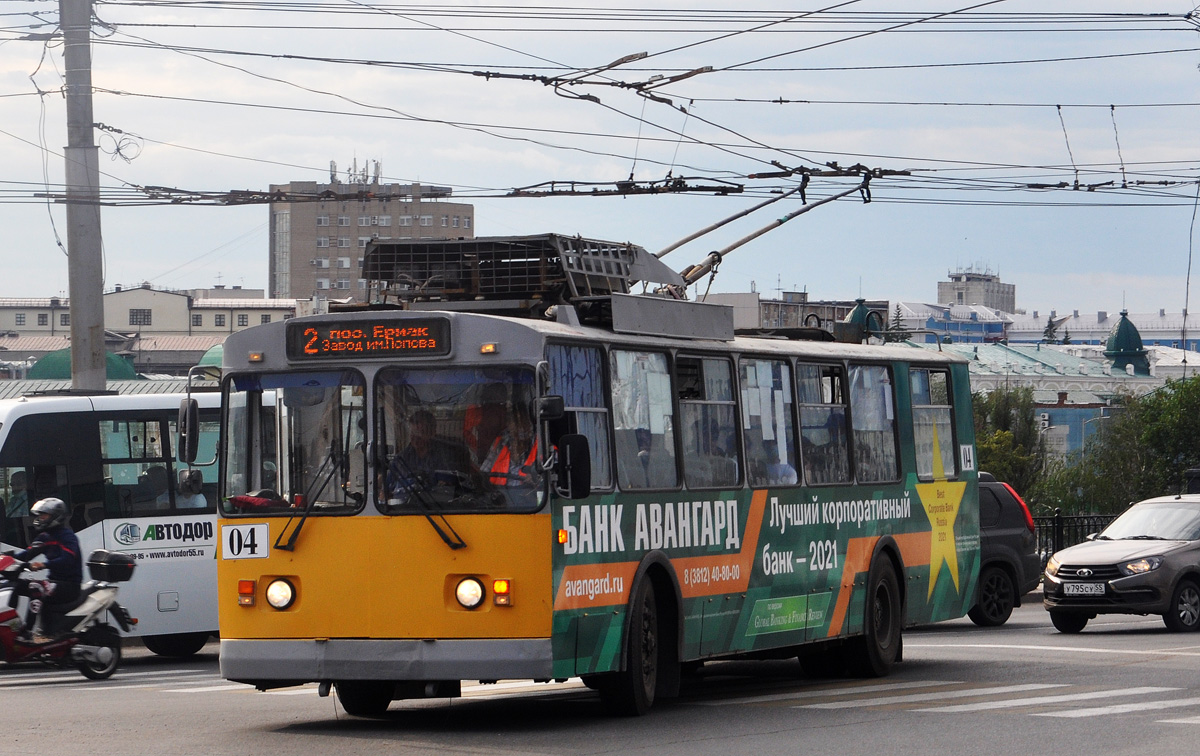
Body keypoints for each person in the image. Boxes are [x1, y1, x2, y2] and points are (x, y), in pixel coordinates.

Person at [11, 497, 81, 642]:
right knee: (15, 585)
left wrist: (45, 565)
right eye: (39, 515)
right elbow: (26, 554)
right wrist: (7, 561)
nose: (40, 519)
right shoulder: (44, 536)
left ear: (56, 516)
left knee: (36, 586)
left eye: (44, 515)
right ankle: (10, 626)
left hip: (68, 586)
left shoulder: (67, 536)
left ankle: (27, 632)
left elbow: (68, 559)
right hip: (53, 583)